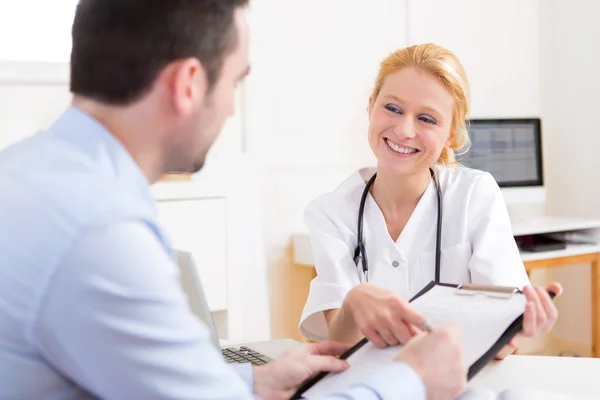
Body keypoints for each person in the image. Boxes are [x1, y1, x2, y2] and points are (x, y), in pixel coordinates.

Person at [0, 2, 468, 399]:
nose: (230, 107)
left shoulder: (26, 171)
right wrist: (412, 380)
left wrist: (251, 379)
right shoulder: (101, 234)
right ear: (188, 84)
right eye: (234, 82)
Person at [299, 43, 562, 359]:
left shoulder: (474, 195)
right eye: (392, 109)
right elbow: (340, 343)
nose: (404, 130)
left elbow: (501, 344)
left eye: (426, 118)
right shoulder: (331, 213)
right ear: (371, 107)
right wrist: (354, 304)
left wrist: (519, 323)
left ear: (450, 134)